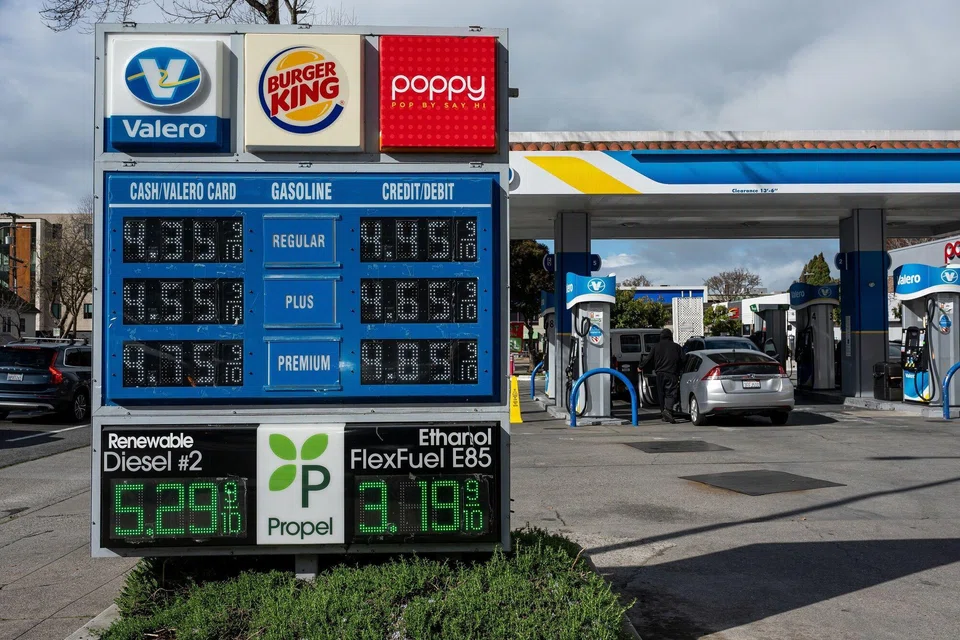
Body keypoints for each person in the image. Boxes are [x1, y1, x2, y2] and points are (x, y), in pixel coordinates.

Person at [639, 328, 684, 423]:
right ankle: (668, 411)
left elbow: (648, 358)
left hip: (659, 374)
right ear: (670, 336)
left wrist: (640, 367)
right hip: (672, 373)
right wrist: (680, 369)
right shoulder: (677, 347)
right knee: (671, 393)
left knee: (661, 394)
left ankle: (664, 413)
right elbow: (683, 360)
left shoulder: (656, 346)